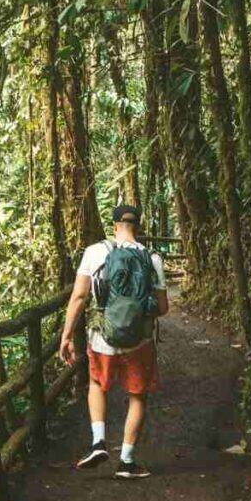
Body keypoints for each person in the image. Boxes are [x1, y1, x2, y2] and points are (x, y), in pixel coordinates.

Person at [59, 204, 169, 479]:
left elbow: (79, 296)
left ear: (114, 224)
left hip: (102, 339)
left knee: (96, 384)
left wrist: (66, 335)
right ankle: (127, 462)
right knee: (137, 395)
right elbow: (163, 306)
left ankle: (98, 442)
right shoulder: (151, 258)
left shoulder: (95, 252)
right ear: (139, 225)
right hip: (139, 341)